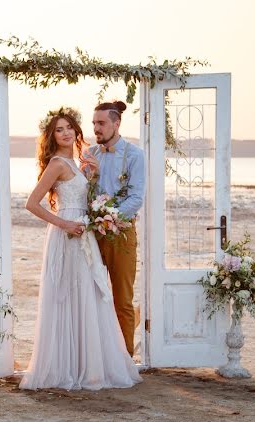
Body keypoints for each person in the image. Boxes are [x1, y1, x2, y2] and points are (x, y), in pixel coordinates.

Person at [19, 107, 141, 391]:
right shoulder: (56, 164)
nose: (65, 133)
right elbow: (32, 203)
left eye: (69, 128)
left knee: (88, 295)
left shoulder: (75, 163)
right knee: (67, 296)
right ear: (52, 136)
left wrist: (92, 177)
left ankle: (87, 363)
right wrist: (64, 224)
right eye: (59, 130)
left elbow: (82, 196)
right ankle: (66, 366)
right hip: (67, 235)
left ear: (76, 131)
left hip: (83, 235)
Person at [80, 101, 147, 357]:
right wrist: (89, 178)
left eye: (101, 123)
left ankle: (125, 359)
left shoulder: (134, 155)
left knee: (122, 299)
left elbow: (136, 197)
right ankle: (97, 357)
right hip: (93, 235)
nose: (96, 128)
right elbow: (82, 191)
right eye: (94, 123)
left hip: (122, 233)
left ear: (116, 123)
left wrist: (111, 218)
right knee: (92, 296)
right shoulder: (90, 153)